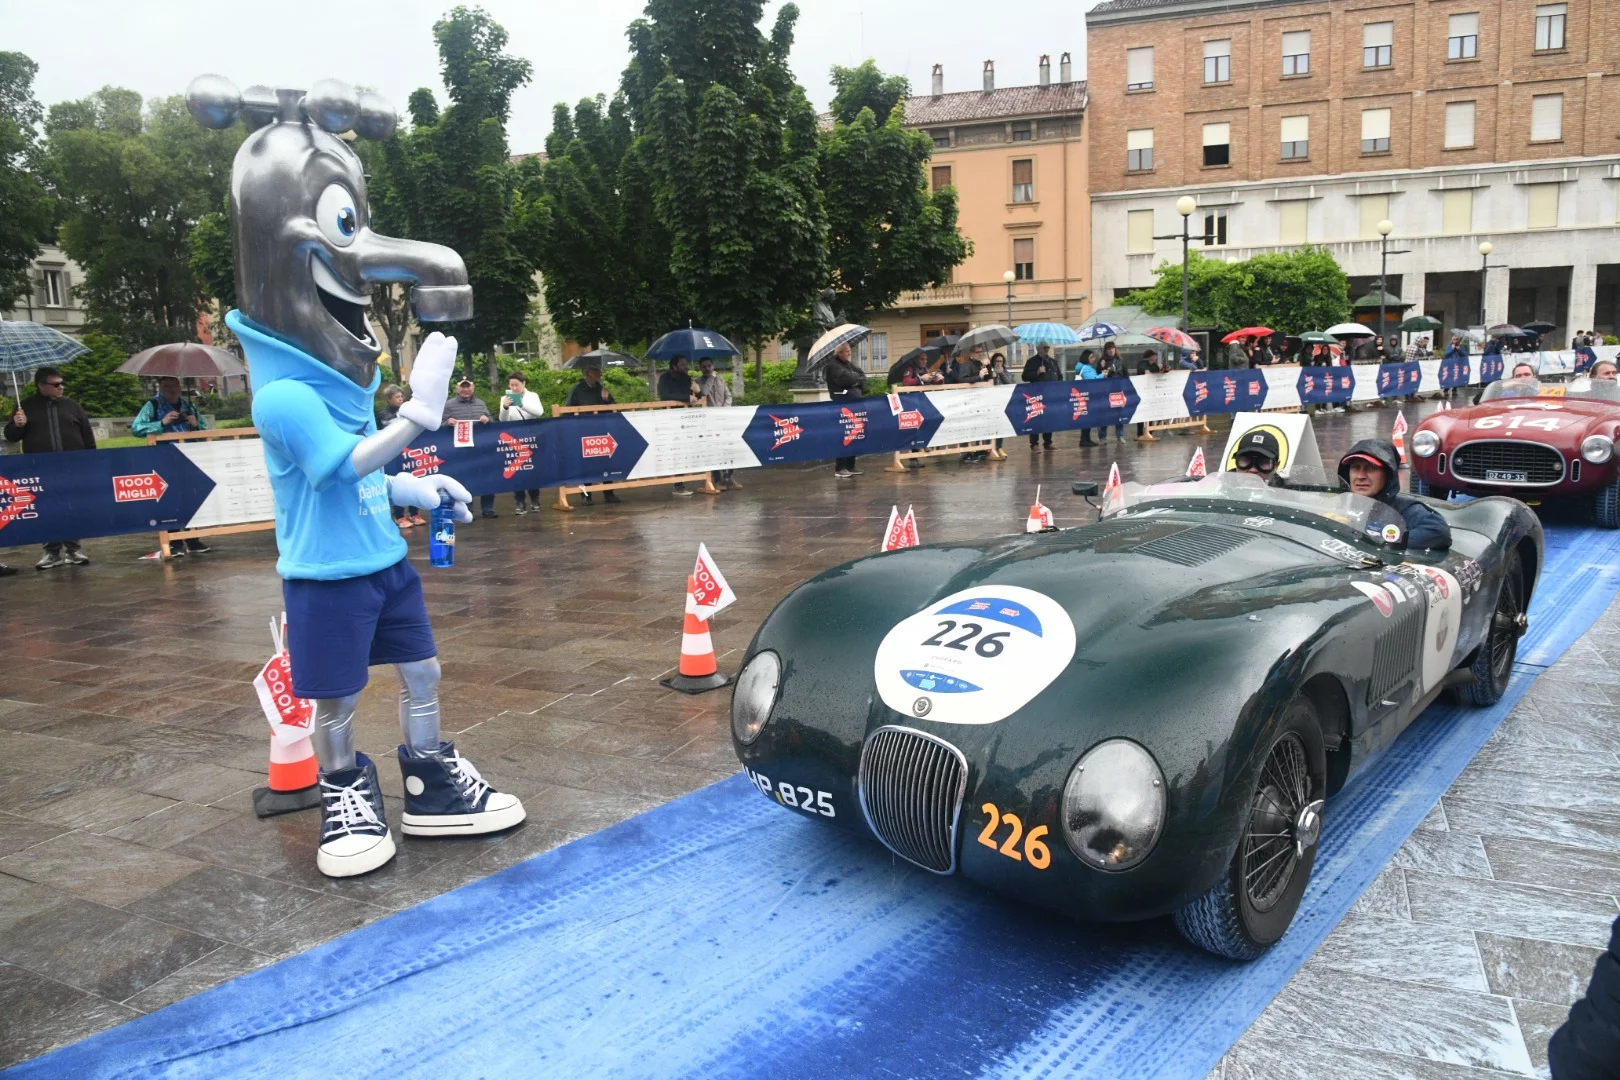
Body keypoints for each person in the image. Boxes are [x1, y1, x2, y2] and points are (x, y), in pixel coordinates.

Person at [4, 367, 95, 569]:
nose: (61, 387)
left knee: (71, 507)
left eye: (61, 383)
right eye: (56, 384)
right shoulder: (24, 407)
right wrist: (18, 425)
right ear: (41, 386)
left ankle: (74, 549)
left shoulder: (73, 406)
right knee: (47, 509)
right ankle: (51, 552)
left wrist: (90, 461)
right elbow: (11, 436)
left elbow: (88, 436)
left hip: (71, 466)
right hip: (40, 468)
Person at [131, 376, 214, 556]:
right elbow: (136, 428)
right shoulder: (152, 406)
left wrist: (195, 424)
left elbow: (205, 430)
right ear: (160, 388)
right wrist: (161, 423)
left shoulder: (188, 406)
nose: (172, 390)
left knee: (192, 497)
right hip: (163, 459)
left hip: (189, 458)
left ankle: (193, 540)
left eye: (175, 386)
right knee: (169, 499)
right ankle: (174, 541)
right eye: (167, 387)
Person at [1338, 439, 1452, 550]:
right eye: (1355, 468)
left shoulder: (1405, 508)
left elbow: (1438, 532)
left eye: (1371, 468)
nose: (1360, 476)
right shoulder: (1339, 504)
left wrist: (1385, 541)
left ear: (1388, 475)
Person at [442, 377, 496, 517]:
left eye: (468, 386)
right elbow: (438, 426)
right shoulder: (448, 405)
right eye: (462, 387)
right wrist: (447, 422)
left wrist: (487, 419)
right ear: (457, 388)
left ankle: (487, 509)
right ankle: (466, 509)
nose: (465, 390)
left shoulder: (481, 403)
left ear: (473, 388)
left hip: (481, 449)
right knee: (464, 480)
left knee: (487, 478)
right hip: (460, 451)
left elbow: (493, 423)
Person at [376, 385, 424, 530]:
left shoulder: (408, 412)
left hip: (409, 453)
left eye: (401, 396)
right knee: (397, 482)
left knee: (413, 480)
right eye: (397, 397)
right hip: (392, 454)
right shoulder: (383, 414)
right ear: (389, 399)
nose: (400, 399)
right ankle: (399, 515)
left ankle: (414, 513)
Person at [498, 373, 544, 515]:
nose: (514, 388)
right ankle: (519, 500)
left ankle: (535, 499)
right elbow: (502, 420)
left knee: (532, 468)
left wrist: (522, 405)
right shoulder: (504, 398)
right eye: (511, 385)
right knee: (517, 468)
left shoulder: (533, 396)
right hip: (514, 437)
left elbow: (539, 413)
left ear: (523, 383)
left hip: (531, 435)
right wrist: (505, 407)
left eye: (516, 384)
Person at [824, 341, 867, 477]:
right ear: (840, 352)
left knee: (855, 434)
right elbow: (847, 379)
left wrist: (857, 380)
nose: (849, 354)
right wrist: (856, 380)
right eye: (847, 351)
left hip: (854, 403)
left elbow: (862, 376)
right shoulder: (833, 366)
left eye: (849, 351)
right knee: (845, 434)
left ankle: (850, 464)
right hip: (842, 404)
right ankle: (840, 467)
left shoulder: (848, 364)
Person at [693, 357, 736, 490]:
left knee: (727, 448)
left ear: (713, 366)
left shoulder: (720, 378)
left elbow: (728, 395)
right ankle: (717, 480)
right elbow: (704, 393)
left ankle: (729, 478)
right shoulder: (697, 382)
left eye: (709, 366)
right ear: (700, 368)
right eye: (704, 366)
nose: (707, 368)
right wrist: (711, 377)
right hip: (709, 420)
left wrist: (725, 409)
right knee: (713, 450)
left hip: (723, 418)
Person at [658, 356, 698, 495]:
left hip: (686, 419)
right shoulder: (664, 378)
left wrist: (697, 390)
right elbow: (664, 396)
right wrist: (686, 398)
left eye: (686, 364)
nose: (686, 367)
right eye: (682, 364)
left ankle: (682, 482)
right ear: (674, 366)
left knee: (684, 451)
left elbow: (698, 397)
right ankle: (678, 485)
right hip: (671, 419)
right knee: (675, 451)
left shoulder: (687, 378)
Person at [1022, 344, 1060, 450]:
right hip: (1036, 395)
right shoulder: (1031, 361)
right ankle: (1034, 443)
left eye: (1048, 347)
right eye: (1044, 347)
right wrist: (1037, 372)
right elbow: (1024, 377)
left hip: (1050, 394)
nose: (1047, 349)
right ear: (1038, 348)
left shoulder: (1053, 361)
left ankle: (1048, 442)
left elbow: (1059, 376)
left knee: (1049, 419)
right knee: (1035, 418)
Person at [1098, 342, 1128, 443]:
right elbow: (1099, 376)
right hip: (1106, 391)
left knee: (1118, 414)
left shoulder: (1121, 360)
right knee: (1105, 414)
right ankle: (1102, 436)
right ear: (1106, 350)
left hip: (1118, 390)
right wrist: (1102, 367)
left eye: (1113, 348)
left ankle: (1120, 435)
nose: (1111, 351)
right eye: (1109, 349)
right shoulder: (1102, 361)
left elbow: (1126, 375)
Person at [1072, 348, 1101, 447]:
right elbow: (1092, 379)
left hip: (1088, 394)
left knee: (1088, 418)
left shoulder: (1087, 367)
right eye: (1091, 357)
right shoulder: (1085, 368)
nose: (1093, 359)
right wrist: (1103, 375)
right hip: (1086, 395)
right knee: (1086, 418)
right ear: (1086, 358)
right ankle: (1084, 440)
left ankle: (1087, 439)